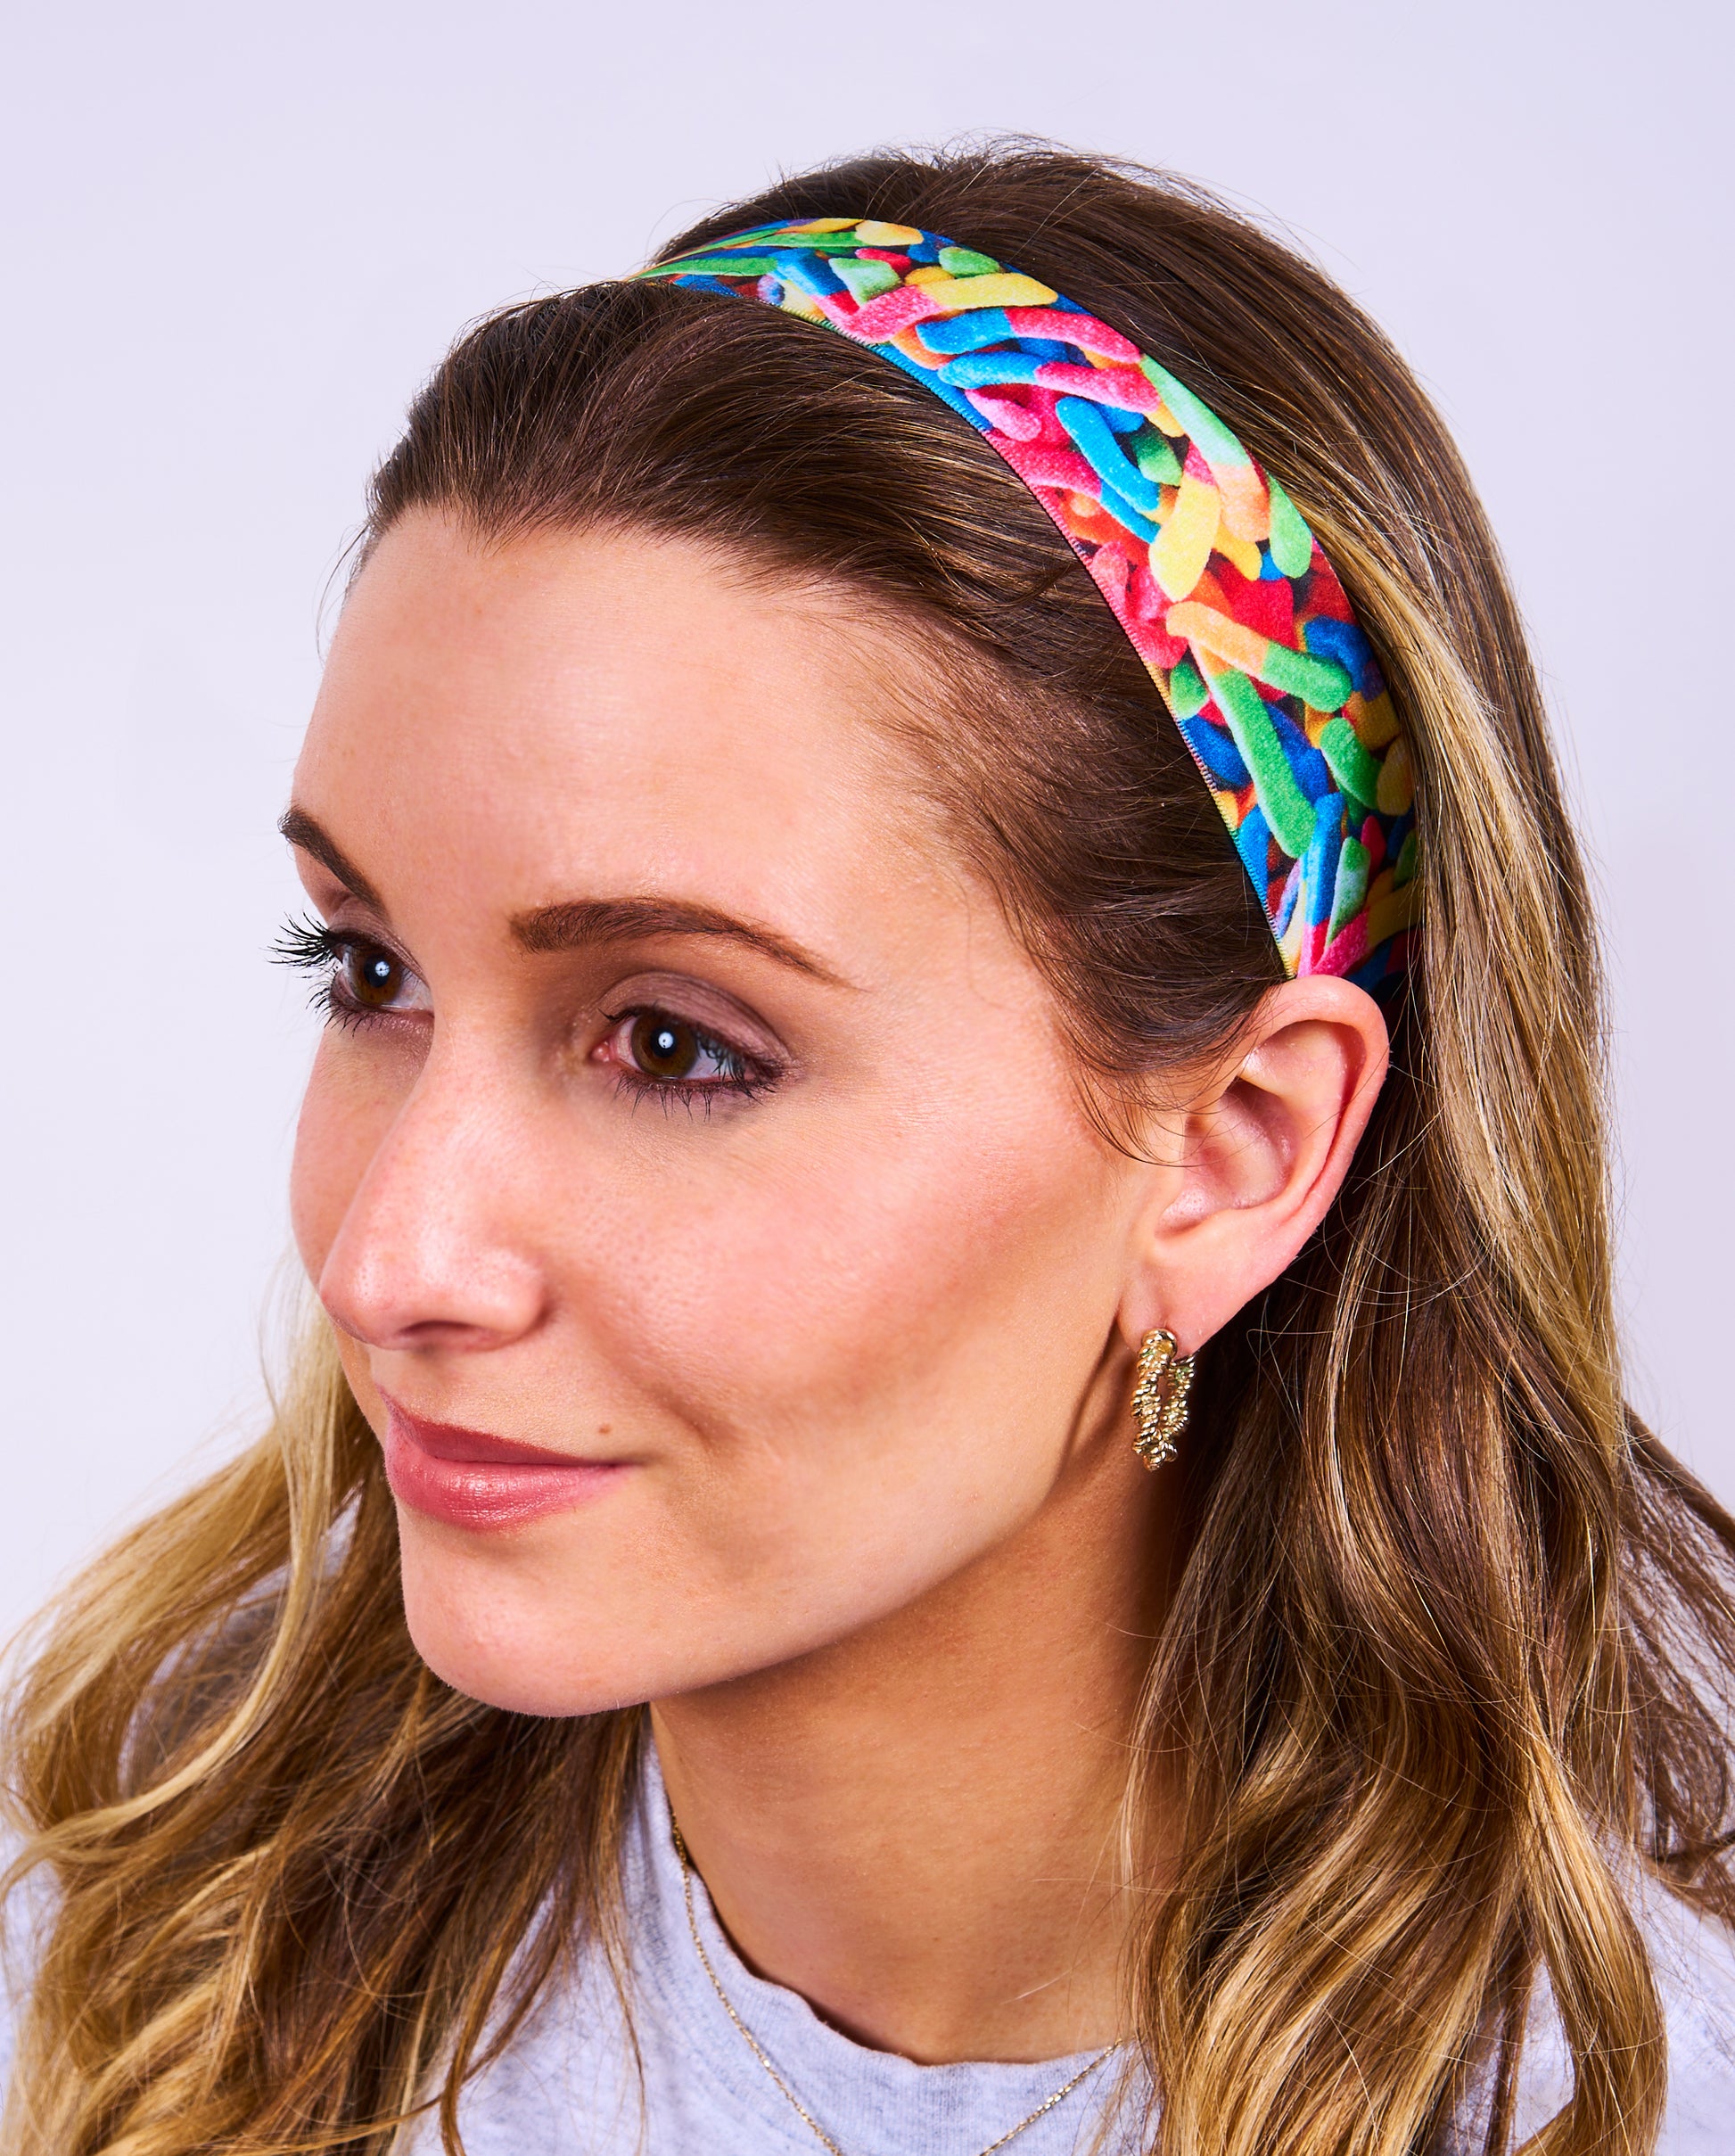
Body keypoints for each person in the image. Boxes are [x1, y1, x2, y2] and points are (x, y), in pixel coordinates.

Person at [4, 143, 1732, 2156]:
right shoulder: (150, 1916)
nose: (390, 1262)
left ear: (1229, 1152)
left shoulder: (1634, 2096)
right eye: (369, 970)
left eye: (675, 1044)